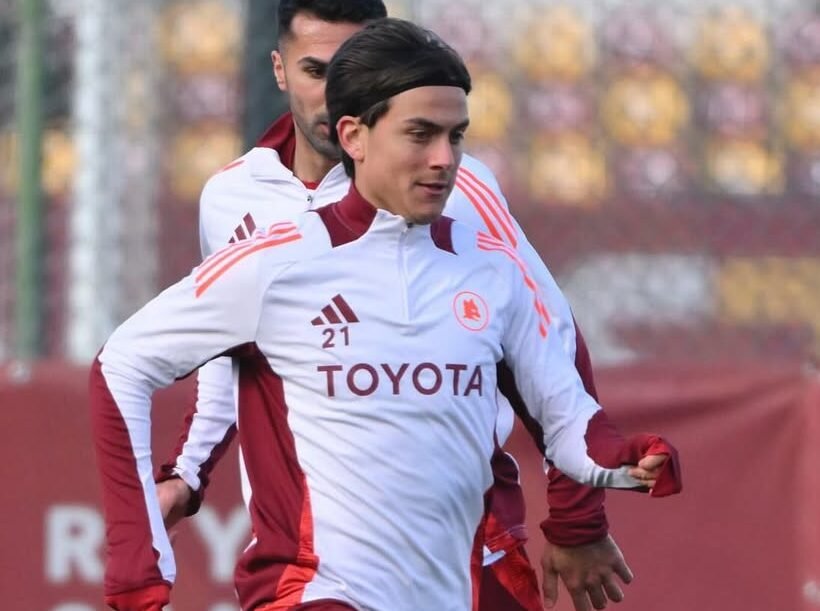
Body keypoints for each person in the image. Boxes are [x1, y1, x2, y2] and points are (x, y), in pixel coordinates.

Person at [91, 18, 681, 611]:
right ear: (354, 134)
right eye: (420, 135)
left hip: (461, 575)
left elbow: (563, 407)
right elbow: (127, 364)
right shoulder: (271, 257)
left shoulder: (491, 265)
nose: (443, 159)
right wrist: (140, 548)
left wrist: (619, 466)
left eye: (456, 136)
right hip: (317, 589)